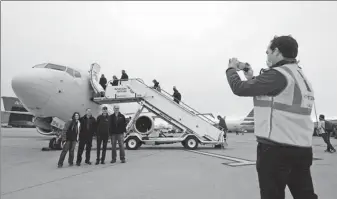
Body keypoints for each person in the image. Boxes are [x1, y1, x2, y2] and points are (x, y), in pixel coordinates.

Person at [226, 35, 318, 199]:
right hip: (301, 148)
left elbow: (239, 88)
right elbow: (276, 96)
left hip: (276, 150)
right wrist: (252, 78)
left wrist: (231, 69)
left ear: (277, 51)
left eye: (268, 51)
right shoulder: (299, 75)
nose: (266, 55)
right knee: (305, 195)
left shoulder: (277, 75)